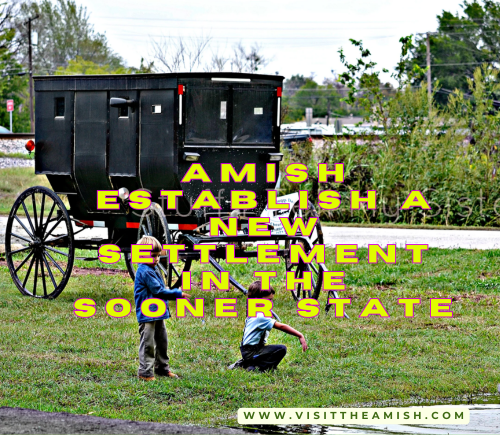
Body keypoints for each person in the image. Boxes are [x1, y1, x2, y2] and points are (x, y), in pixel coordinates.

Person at [134, 235, 190, 381]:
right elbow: (159, 290)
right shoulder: (145, 271)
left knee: (162, 340)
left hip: (157, 312)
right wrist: (177, 293)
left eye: (158, 255)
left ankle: (162, 368)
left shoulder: (152, 268)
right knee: (148, 343)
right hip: (148, 313)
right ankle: (145, 372)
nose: (157, 259)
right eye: (153, 255)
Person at [238, 281, 308, 372]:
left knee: (274, 350)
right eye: (268, 300)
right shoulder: (260, 316)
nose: (270, 303)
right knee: (280, 349)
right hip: (251, 351)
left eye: (271, 300)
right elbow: (281, 326)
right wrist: (300, 335)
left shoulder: (253, 312)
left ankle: (250, 363)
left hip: (249, 350)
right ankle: (258, 366)